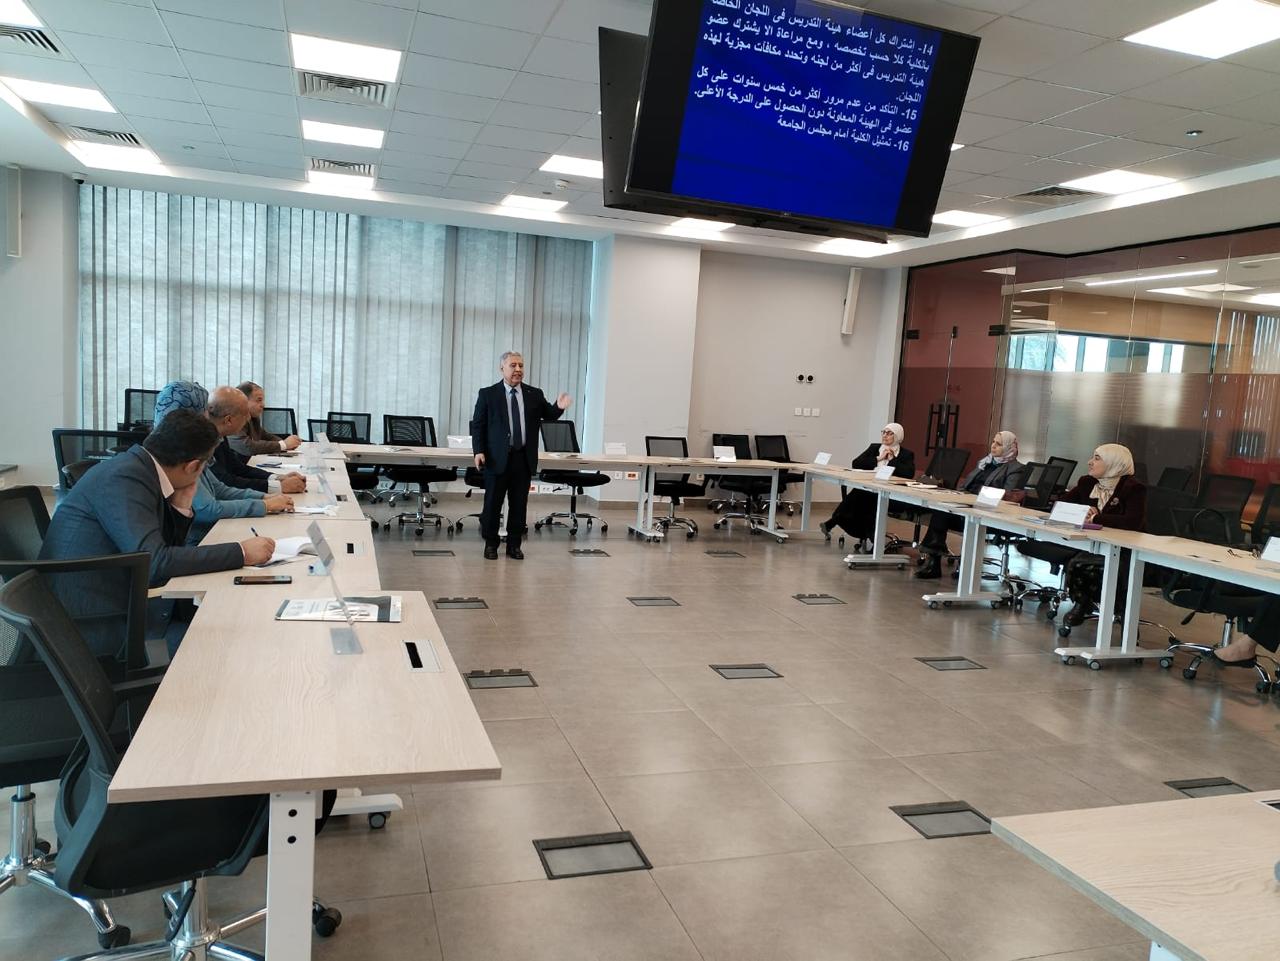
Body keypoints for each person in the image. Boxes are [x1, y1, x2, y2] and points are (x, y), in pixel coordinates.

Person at [38, 408, 275, 655]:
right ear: (193, 466)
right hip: (96, 631)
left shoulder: (139, 467)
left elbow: (162, 553)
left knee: (237, 617)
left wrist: (181, 508)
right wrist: (241, 552)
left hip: (127, 604)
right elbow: (156, 563)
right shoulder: (125, 478)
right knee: (236, 645)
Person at [152, 381, 294, 545]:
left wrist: (264, 497)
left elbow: (220, 488)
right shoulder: (178, 456)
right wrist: (264, 505)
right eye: (205, 412)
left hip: (212, 533)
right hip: (200, 540)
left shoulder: (193, 446)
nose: (209, 417)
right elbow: (207, 510)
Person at [472, 350, 570, 560]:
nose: (518, 369)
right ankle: (491, 544)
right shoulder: (488, 394)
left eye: (521, 366)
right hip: (497, 458)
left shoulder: (534, 394)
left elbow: (549, 414)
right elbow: (478, 425)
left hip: (523, 459)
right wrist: (478, 451)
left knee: (518, 505)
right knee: (492, 504)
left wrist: (559, 407)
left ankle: (514, 545)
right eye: (513, 365)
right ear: (502, 368)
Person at [915, 431, 1028, 579]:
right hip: (968, 505)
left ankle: (956, 565)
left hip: (989, 513)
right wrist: (959, 495)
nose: (993, 446)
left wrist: (979, 495)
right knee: (941, 511)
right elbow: (966, 484)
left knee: (944, 515)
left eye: (999, 444)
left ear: (1009, 448)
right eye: (993, 442)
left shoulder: (1015, 468)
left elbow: (1007, 496)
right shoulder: (985, 462)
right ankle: (934, 562)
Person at [1056, 444, 1147, 627]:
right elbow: (1061, 504)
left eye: (1097, 458)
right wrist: (1082, 511)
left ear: (1114, 463)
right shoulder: (1087, 482)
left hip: (1124, 548)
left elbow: (1133, 522)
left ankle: (1118, 610)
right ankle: (1082, 603)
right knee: (1078, 562)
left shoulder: (1133, 488)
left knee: (1082, 565)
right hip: (1091, 543)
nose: (1090, 462)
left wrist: (1097, 518)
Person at [818, 423, 915, 551]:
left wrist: (892, 460)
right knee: (863, 495)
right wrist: (878, 458)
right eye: (883, 432)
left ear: (898, 436)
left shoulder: (906, 454)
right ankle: (873, 539)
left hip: (891, 494)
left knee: (863, 496)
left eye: (889, 433)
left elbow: (908, 473)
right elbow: (856, 463)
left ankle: (834, 520)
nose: (885, 435)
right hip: (871, 488)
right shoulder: (874, 448)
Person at [203, 386, 307, 494]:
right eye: (245, 414)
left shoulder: (220, 435)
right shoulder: (204, 442)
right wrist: (277, 487)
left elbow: (239, 469)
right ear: (228, 420)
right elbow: (226, 482)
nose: (248, 418)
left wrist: (277, 477)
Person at [230, 380, 301, 456]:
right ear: (243, 400)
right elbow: (246, 446)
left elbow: (265, 436)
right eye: (259, 400)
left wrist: (287, 443)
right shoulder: (233, 419)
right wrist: (284, 445)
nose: (263, 405)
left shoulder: (253, 418)